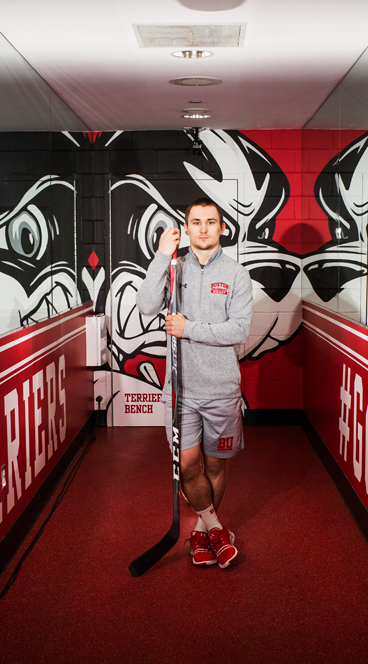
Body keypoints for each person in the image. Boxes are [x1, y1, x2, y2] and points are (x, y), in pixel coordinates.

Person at [136, 197, 253, 568]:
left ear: (222, 228)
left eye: (211, 222)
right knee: (188, 466)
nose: (203, 228)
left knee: (216, 467)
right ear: (185, 229)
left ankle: (203, 533)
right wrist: (159, 256)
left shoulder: (236, 274)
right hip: (181, 392)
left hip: (221, 390)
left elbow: (239, 329)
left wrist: (189, 329)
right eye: (196, 222)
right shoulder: (175, 267)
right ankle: (218, 529)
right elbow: (145, 305)